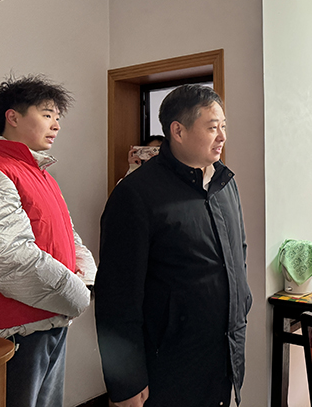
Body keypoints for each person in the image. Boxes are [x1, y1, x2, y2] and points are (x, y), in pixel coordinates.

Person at [95, 84, 252, 407]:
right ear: (178, 131)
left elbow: (239, 253)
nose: (222, 136)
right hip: (169, 365)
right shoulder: (136, 194)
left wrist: (241, 303)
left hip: (224, 355)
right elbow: (116, 297)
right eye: (212, 127)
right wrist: (126, 380)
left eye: (224, 126)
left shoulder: (225, 183)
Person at [0, 75, 96, 407]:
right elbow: (7, 255)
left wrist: (87, 279)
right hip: (16, 328)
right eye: (47, 114)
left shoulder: (40, 173)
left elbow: (69, 235)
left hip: (51, 316)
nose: (56, 125)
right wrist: (77, 294)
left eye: (57, 117)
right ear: (13, 117)